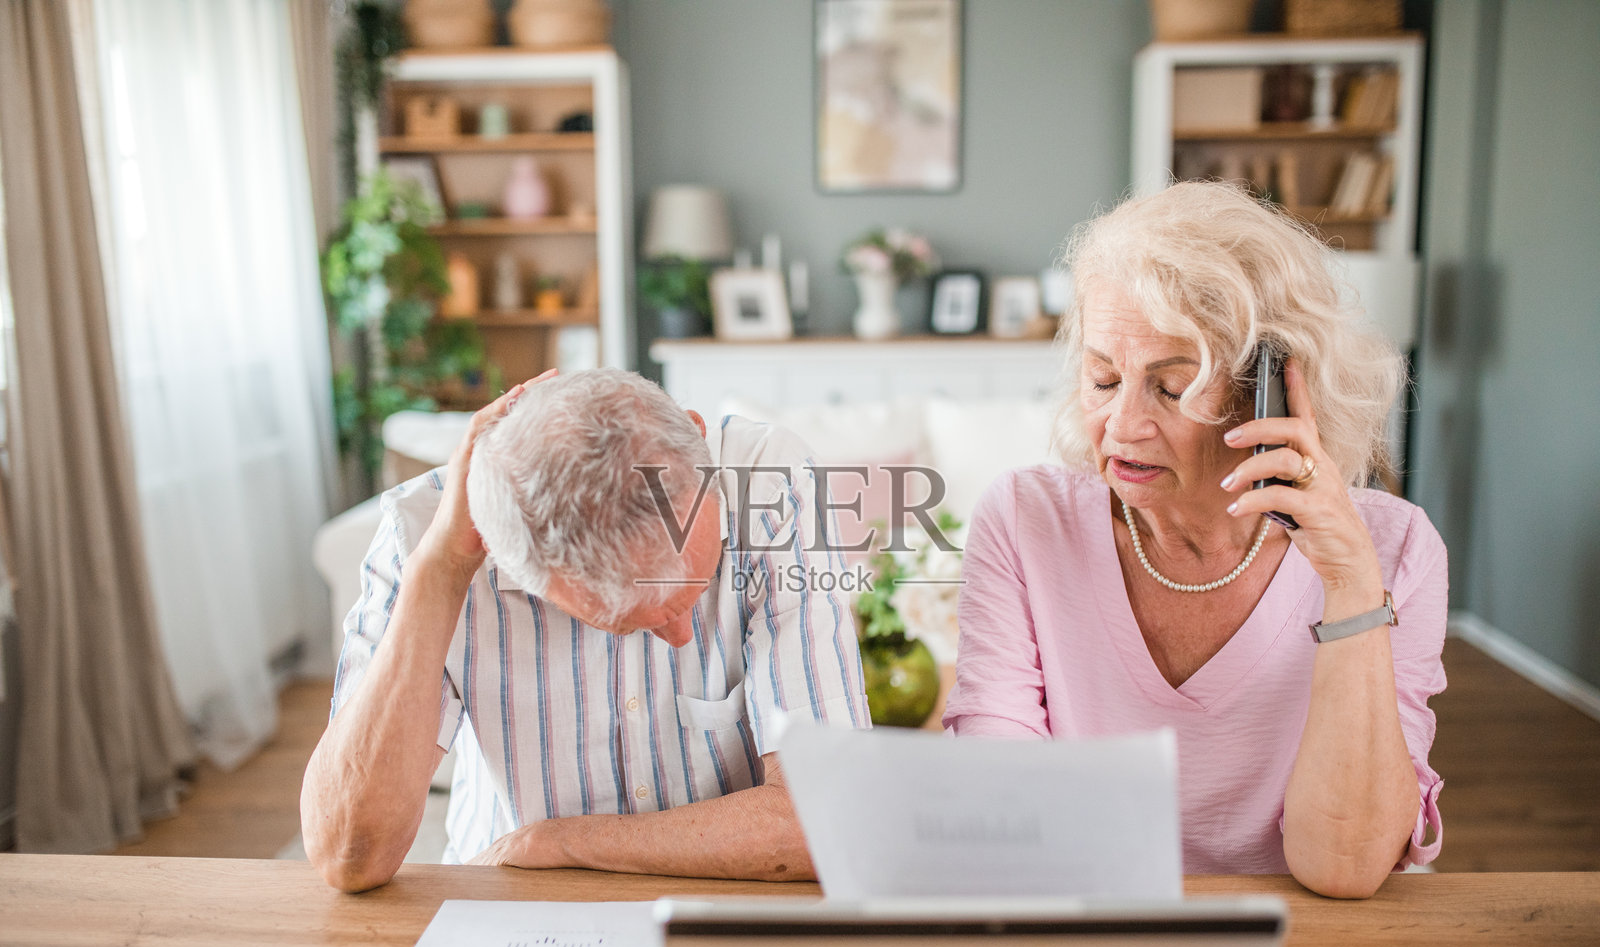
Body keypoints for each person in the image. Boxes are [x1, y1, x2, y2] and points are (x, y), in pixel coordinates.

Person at [944, 181, 1445, 899]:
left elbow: (1345, 866)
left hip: (1307, 940)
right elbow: (1003, 820)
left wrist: (1351, 586)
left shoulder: (1395, 550)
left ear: (1268, 394)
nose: (1121, 425)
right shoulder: (1026, 521)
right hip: (1085, 923)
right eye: (1103, 378)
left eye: (1171, 388)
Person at [302, 369, 870, 892]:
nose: (682, 634)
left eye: (699, 580)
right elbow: (350, 855)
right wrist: (442, 571)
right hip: (511, 901)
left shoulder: (771, 481)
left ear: (698, 439)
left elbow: (831, 819)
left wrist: (554, 843)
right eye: (626, 621)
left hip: (724, 898)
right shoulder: (427, 535)